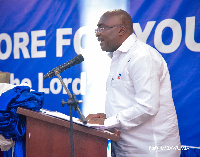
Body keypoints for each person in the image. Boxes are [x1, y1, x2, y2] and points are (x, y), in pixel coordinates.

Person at [86, 9, 181, 157]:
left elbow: (148, 106)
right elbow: (128, 101)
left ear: (121, 30)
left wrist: (108, 121)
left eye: (102, 27)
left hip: (150, 150)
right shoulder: (119, 57)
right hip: (127, 149)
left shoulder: (142, 56)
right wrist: (107, 116)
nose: (97, 33)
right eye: (97, 28)